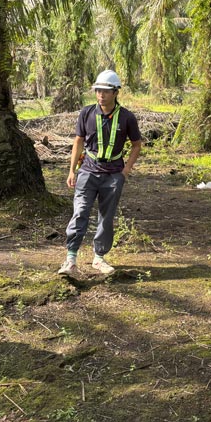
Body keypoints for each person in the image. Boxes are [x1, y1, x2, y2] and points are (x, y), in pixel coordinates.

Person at [58, 70, 142, 276]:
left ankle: (99, 258)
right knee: (80, 212)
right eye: (98, 91)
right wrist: (72, 171)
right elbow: (78, 142)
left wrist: (126, 170)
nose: (101, 95)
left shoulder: (126, 117)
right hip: (88, 171)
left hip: (114, 174)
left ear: (115, 92)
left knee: (106, 216)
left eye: (105, 91)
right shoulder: (87, 113)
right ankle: (70, 259)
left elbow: (137, 145)